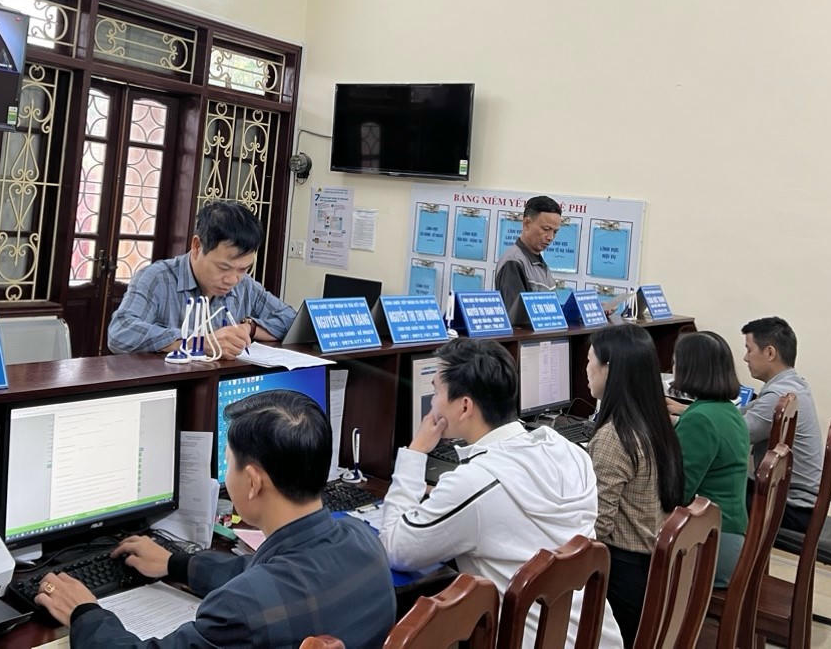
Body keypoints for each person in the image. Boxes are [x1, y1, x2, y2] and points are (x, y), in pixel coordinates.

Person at [34, 390, 395, 648]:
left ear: (253, 482)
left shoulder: (242, 609)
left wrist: (85, 614)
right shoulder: (363, 540)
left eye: (229, 462)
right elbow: (262, 572)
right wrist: (177, 564)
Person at [379, 337, 624, 649]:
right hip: (596, 638)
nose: (433, 403)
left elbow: (396, 548)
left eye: (436, 391)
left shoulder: (475, 484)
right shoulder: (572, 454)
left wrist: (415, 453)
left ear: (464, 406)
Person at [585, 325, 685, 648]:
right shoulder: (654, 421)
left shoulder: (615, 437)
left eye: (590, 360)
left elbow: (598, 528)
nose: (586, 369)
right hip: (651, 570)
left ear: (609, 369)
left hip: (623, 581)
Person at [107, 201, 296, 356]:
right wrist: (199, 342)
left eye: (243, 269)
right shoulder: (157, 278)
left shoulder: (244, 286)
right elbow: (120, 332)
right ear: (197, 246)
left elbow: (291, 321)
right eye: (223, 267)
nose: (232, 280)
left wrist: (249, 328)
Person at [669, 331, 750, 587]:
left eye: (675, 362)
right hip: (728, 534)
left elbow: (677, 493)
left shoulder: (700, 419)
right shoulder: (726, 410)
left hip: (710, 544)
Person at [740, 317, 822, 532]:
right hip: (796, 500)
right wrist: (685, 410)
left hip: (791, 508)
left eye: (749, 349)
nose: (745, 358)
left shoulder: (778, 395)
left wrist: (684, 421)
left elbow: (734, 434)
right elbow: (743, 414)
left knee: (713, 491)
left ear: (769, 353)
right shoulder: (793, 384)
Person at [495, 196, 562, 323]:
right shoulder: (513, 262)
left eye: (555, 232)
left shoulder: (539, 262)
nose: (550, 237)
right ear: (526, 223)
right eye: (546, 229)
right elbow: (517, 320)